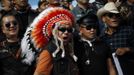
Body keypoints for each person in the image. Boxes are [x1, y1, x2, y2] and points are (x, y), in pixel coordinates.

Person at [21, 7, 79, 75]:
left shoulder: (69, 49)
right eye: (62, 29)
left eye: (69, 30)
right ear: (54, 31)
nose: (66, 32)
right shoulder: (48, 52)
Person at [97, 2, 134, 75]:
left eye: (117, 15)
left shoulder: (128, 31)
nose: (114, 18)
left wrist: (127, 49)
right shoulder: (101, 37)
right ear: (104, 19)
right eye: (111, 15)